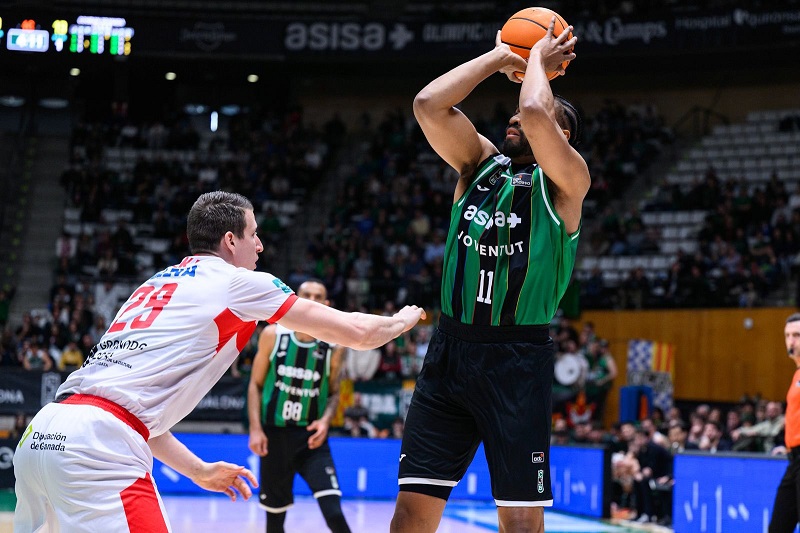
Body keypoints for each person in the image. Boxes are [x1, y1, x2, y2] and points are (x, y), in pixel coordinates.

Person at [14, 191, 426, 532]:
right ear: (231, 240)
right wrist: (402, 320)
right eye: (254, 234)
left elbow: (133, 412)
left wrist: (197, 470)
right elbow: (355, 332)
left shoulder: (154, 283)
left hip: (43, 433)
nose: (260, 245)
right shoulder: (238, 282)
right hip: (98, 447)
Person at [391, 18, 588, 533]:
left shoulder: (568, 183)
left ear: (563, 136)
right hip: (450, 350)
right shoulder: (478, 164)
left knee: (519, 522)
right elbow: (428, 104)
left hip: (517, 359)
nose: (515, 118)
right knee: (410, 515)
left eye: (530, 117)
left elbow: (534, 111)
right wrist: (502, 56)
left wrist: (537, 59)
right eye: (513, 117)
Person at [247, 279, 352, 533]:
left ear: (326, 304)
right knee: (275, 523)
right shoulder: (272, 335)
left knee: (334, 513)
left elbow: (334, 393)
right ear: (295, 299)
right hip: (274, 437)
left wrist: (325, 420)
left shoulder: (334, 347)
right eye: (307, 295)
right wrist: (255, 429)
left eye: (318, 296)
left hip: (311, 440)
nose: (312, 301)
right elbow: (255, 385)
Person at [769, 313, 800, 533]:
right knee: (779, 527)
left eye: (797, 335)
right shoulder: (797, 374)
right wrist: (789, 445)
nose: (791, 341)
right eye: (787, 335)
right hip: (794, 459)